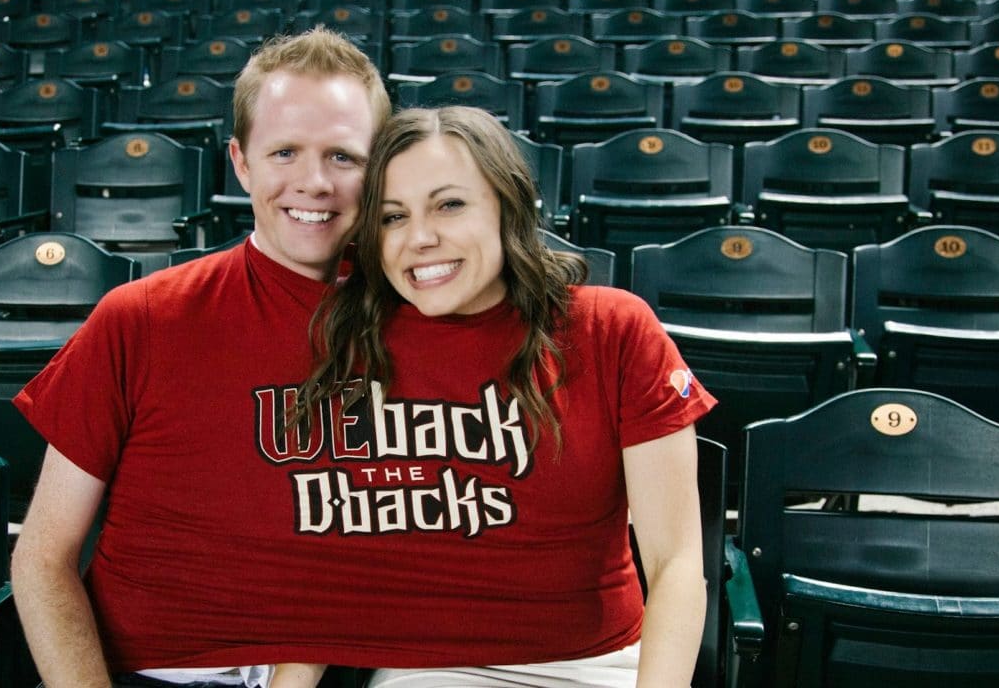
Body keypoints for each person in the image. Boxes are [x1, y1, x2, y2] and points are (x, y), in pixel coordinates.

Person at [9, 26, 391, 688]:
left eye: (344, 157)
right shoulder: (139, 318)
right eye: (284, 152)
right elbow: (42, 557)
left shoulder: (410, 332)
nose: (313, 182)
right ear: (240, 163)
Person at [290, 105, 717, 687]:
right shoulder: (349, 338)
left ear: (506, 206)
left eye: (449, 204)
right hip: (429, 669)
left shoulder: (612, 329)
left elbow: (675, 565)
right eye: (393, 217)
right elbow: (323, 569)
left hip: (597, 664)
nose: (420, 238)